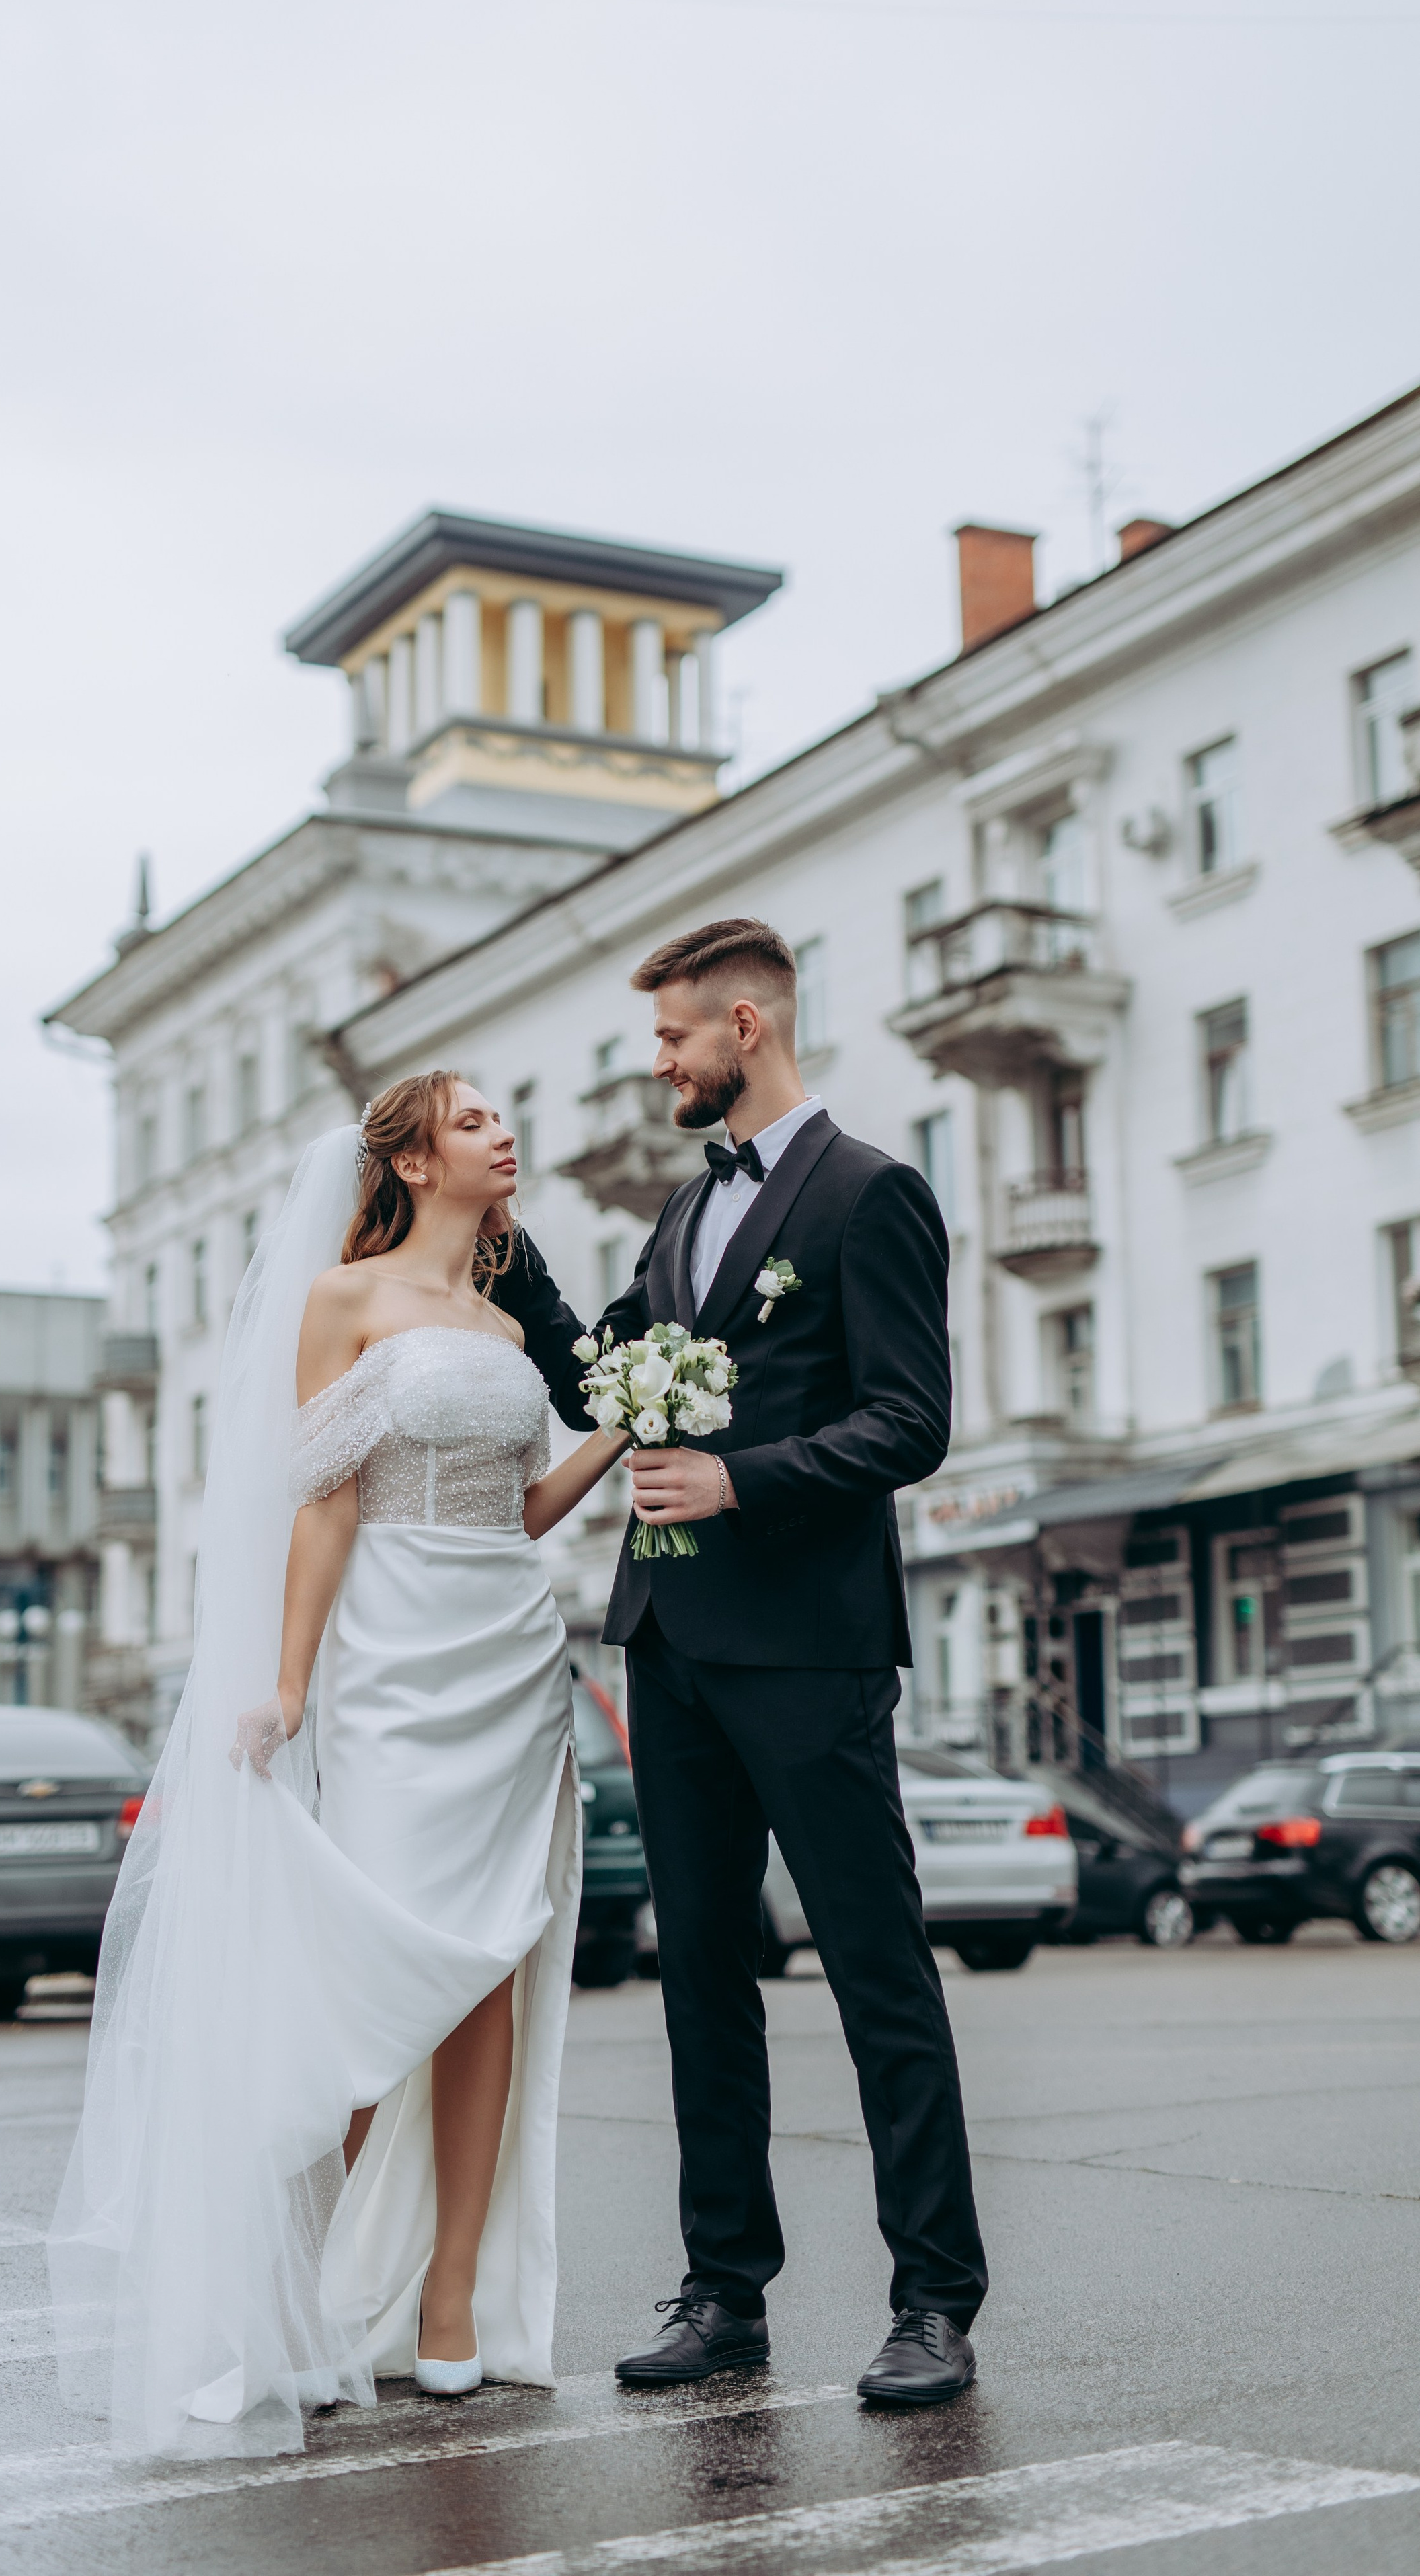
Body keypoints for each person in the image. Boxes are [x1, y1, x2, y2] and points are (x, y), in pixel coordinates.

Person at [49, 1075, 626, 2457]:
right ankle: (296, 2296)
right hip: (391, 1664)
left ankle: (446, 2304)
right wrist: (288, 1681)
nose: (504, 1131)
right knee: (372, 1972)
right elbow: (321, 1505)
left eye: (503, 1116)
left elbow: (528, 1507)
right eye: (477, 1118)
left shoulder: (502, 1323)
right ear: (415, 1159)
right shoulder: (345, 1300)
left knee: (490, 1965)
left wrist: (625, 1424)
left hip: (508, 1651)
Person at [494, 916, 988, 2407]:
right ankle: (725, 2292)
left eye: (670, 1040)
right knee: (700, 1972)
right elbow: (606, 1377)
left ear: (749, 1025)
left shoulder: (869, 1194)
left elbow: (910, 1420)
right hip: (670, 1643)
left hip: (807, 1648)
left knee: (871, 1968)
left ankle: (934, 2304)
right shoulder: (677, 1210)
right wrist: (505, 1271)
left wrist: (741, 1478)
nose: (659, 1066)